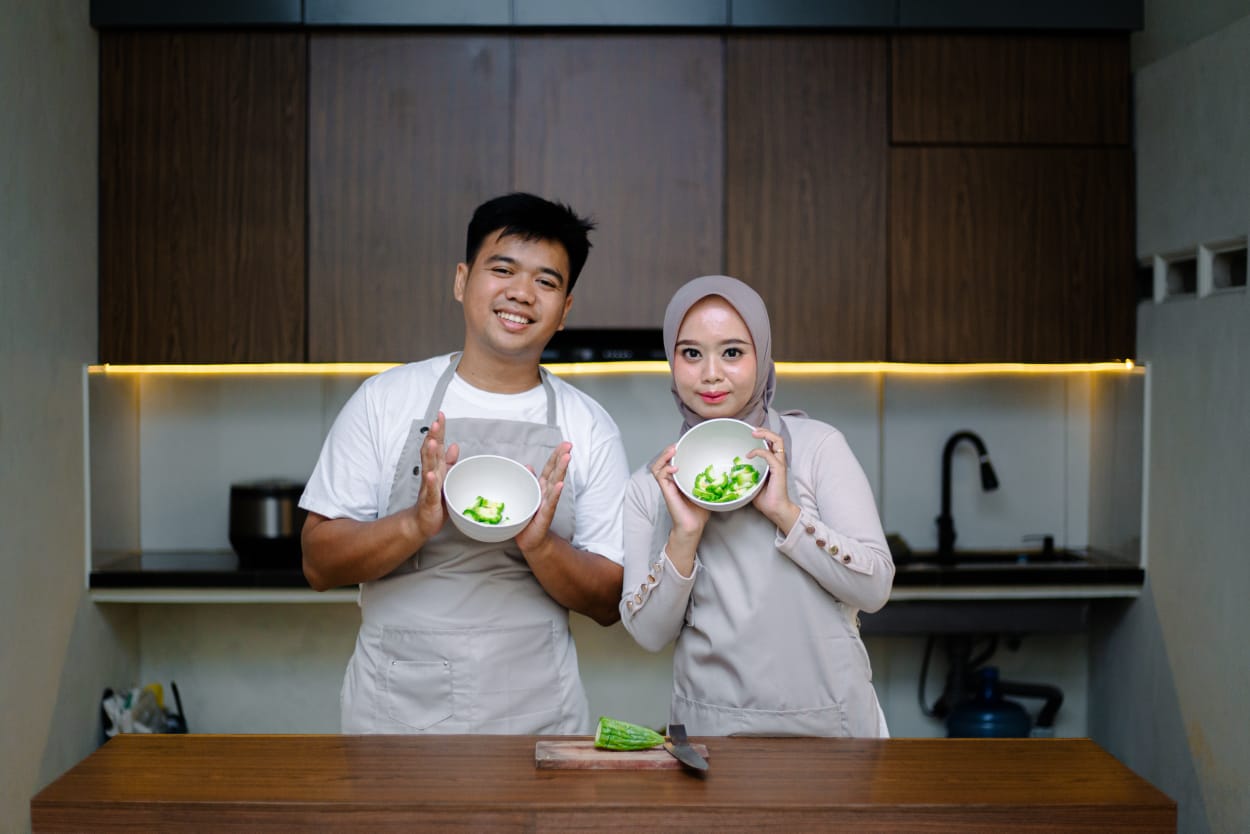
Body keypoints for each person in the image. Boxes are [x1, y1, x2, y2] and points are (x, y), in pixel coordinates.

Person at [300, 192, 630, 734]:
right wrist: (416, 523)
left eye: (546, 281)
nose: (521, 293)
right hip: (397, 715)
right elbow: (318, 564)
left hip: (538, 713)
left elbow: (608, 601)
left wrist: (540, 545)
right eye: (502, 269)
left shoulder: (589, 426)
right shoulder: (385, 399)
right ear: (461, 280)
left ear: (565, 310)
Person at [619, 275, 894, 737]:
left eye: (732, 352)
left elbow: (875, 588)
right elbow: (648, 635)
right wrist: (684, 535)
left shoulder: (818, 448)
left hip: (834, 728)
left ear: (762, 357)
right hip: (710, 736)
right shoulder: (650, 486)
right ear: (671, 361)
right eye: (691, 354)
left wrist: (784, 511)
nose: (711, 373)